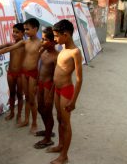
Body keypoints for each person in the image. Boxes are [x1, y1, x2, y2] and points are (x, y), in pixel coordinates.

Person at [0, 18, 41, 133]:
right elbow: (4, 47)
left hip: (24, 73)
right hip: (13, 73)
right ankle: (15, 114)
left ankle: (22, 117)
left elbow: (45, 56)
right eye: (13, 32)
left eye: (18, 31)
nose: (14, 34)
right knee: (13, 94)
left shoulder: (32, 43)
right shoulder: (23, 42)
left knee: (24, 97)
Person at [47, 19, 83, 164]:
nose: (54, 39)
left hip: (67, 91)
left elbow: (79, 79)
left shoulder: (75, 52)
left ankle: (64, 156)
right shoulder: (63, 49)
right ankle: (61, 145)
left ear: (66, 34)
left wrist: (73, 101)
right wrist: (51, 91)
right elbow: (57, 72)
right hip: (57, 89)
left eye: (56, 36)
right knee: (60, 120)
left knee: (66, 123)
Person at [34, 27, 58, 149]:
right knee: (40, 109)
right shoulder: (44, 52)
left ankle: (48, 139)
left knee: (47, 112)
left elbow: (55, 78)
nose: (42, 42)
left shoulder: (56, 56)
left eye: (44, 39)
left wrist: (50, 95)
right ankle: (48, 130)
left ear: (53, 41)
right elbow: (40, 69)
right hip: (41, 84)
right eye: (42, 39)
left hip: (49, 86)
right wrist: (36, 83)